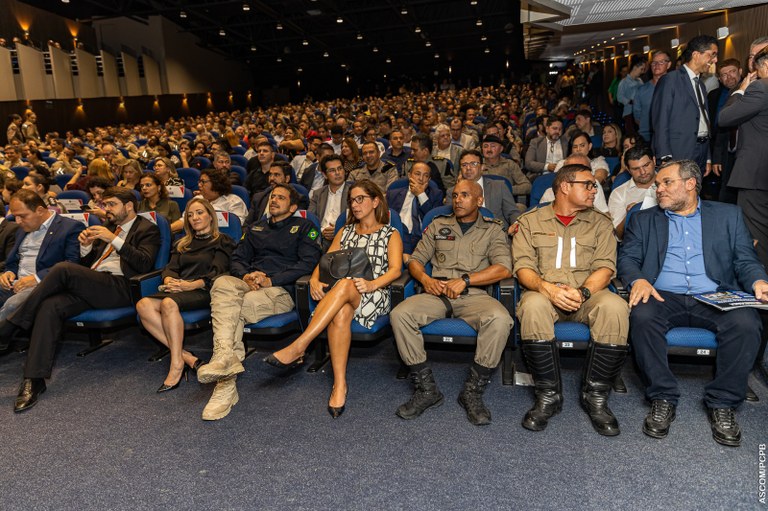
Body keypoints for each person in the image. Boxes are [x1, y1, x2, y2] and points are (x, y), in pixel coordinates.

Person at [618, 160, 768, 447]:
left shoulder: (728, 215)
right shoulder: (643, 219)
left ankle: (722, 403)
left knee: (747, 323)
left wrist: (758, 281)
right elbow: (628, 259)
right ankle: (662, 396)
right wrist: (637, 279)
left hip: (713, 295)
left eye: (666, 183)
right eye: (658, 184)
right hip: (663, 294)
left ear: (690, 184)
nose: (658, 188)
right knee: (642, 317)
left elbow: (745, 260)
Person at [0, 187, 161, 412]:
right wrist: (85, 247)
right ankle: (33, 380)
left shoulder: (148, 229)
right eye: (105, 205)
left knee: (63, 268)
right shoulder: (106, 228)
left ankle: (9, 328)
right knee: (50, 306)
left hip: (121, 287)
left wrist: (114, 240)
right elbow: (86, 265)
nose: (106, 210)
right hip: (94, 285)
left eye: (112, 204)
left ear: (129, 206)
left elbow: (144, 263)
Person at [266, 180, 403, 417]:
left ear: (375, 201)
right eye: (352, 200)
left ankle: (300, 345)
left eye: (361, 199)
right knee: (341, 312)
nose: (355, 204)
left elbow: (395, 270)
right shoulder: (345, 231)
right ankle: (340, 385)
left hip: (373, 294)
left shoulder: (390, 233)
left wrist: (371, 284)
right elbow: (326, 261)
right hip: (341, 297)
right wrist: (314, 280)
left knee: (346, 283)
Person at [512, 164, 629, 436]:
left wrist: (584, 292)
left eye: (594, 185)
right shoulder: (530, 222)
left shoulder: (600, 223)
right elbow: (523, 268)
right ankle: (548, 395)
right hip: (545, 292)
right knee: (531, 306)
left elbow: (605, 268)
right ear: (565, 187)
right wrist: (549, 289)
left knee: (615, 307)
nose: (594, 189)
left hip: (587, 294)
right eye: (587, 184)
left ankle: (596, 398)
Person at [390, 179, 513, 426]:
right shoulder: (438, 224)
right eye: (455, 195)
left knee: (501, 320)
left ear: (479, 201)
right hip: (437, 292)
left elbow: (503, 268)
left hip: (474, 295)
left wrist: (466, 280)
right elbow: (415, 260)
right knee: (400, 314)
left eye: (465, 195)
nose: (457, 200)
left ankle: (472, 392)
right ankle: (427, 390)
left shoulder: (493, 229)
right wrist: (425, 278)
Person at [195, 183, 322, 420]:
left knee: (231, 312)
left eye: (281, 198)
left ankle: (225, 387)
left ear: (293, 206)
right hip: (250, 282)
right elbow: (238, 258)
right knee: (222, 283)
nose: (274, 200)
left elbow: (307, 264)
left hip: (281, 290)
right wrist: (246, 275)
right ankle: (224, 359)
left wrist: (270, 280)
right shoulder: (256, 228)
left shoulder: (305, 227)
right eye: (272, 197)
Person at [136, 197, 234, 393]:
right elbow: (170, 269)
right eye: (190, 215)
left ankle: (176, 366)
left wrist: (190, 285)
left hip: (204, 290)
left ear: (210, 216)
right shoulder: (183, 243)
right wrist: (169, 281)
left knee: (168, 304)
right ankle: (187, 357)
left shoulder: (222, 241)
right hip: (179, 289)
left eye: (199, 213)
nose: (194, 218)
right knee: (142, 305)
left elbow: (219, 272)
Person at [718, 46, 768, 271]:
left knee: (757, 236)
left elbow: (725, 118)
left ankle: (761, 286)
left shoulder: (760, 87)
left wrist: (740, 90)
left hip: (756, 175)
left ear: (765, 66)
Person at [0, 190, 83, 324]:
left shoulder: (70, 227)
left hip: (44, 285)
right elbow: (14, 261)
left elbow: (71, 264)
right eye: (15, 216)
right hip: (15, 283)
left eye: (22, 216)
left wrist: (37, 278)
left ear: (39, 210)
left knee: (12, 304)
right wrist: (9, 272)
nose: (18, 221)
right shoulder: (23, 228)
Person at [651, 35, 719, 172]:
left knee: (695, 192)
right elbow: (660, 120)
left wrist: (707, 157)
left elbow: (703, 120)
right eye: (712, 55)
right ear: (696, 55)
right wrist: (665, 157)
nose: (715, 60)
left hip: (701, 149)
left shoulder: (701, 84)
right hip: (679, 152)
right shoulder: (670, 80)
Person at [386, 162, 443, 254]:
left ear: (429, 179)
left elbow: (434, 220)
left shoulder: (436, 194)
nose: (421, 179)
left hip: (422, 239)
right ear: (409, 175)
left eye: (425, 175)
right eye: (417, 174)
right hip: (396, 236)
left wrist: (421, 194)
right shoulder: (393, 194)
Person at [608, 145, 658, 239]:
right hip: (636, 243)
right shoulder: (619, 193)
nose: (642, 172)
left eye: (646, 165)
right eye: (636, 169)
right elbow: (618, 235)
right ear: (628, 169)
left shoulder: (670, 184)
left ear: (654, 161)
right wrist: (630, 214)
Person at [309, 155, 352, 251]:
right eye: (332, 170)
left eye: (340, 168)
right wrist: (321, 232)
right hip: (320, 237)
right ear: (324, 175)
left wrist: (339, 230)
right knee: (306, 240)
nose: (337, 173)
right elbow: (310, 220)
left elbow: (359, 221)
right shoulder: (318, 194)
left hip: (345, 238)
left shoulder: (353, 192)